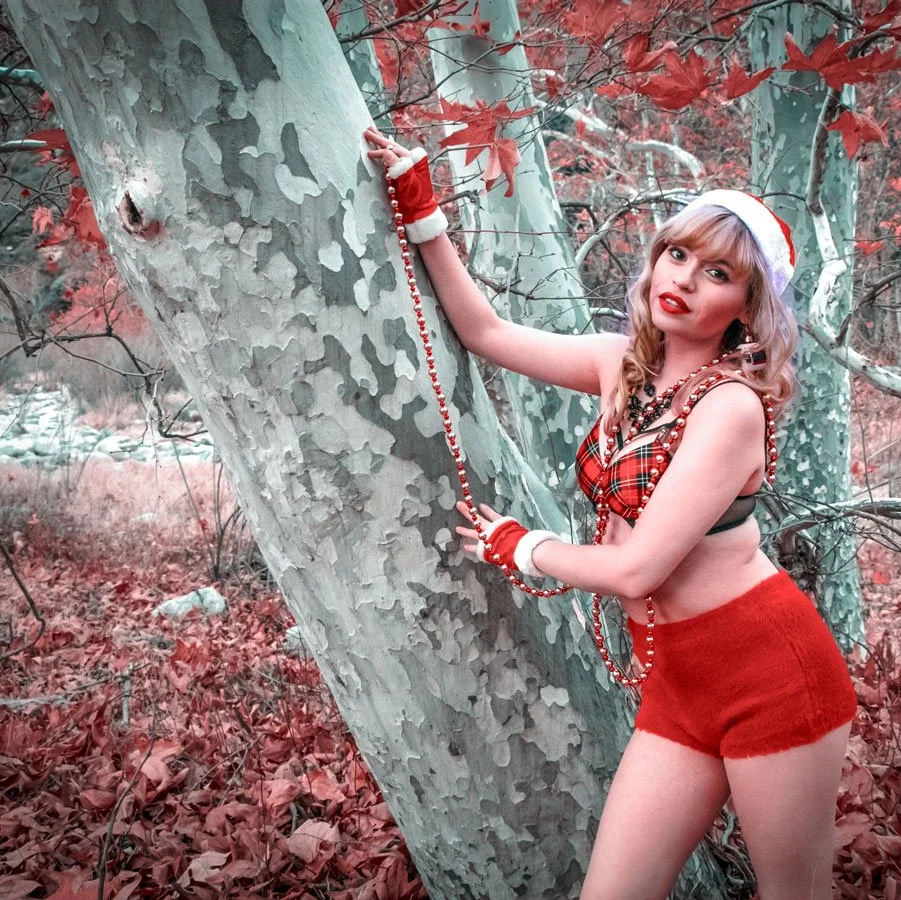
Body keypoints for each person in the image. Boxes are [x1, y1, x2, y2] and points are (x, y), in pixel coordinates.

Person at [365, 125, 857, 900]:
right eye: (679, 254)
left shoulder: (730, 408)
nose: (686, 279)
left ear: (748, 305)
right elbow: (484, 332)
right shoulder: (616, 365)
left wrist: (523, 548)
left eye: (718, 272)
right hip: (678, 684)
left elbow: (638, 567)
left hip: (770, 676)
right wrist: (424, 216)